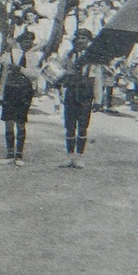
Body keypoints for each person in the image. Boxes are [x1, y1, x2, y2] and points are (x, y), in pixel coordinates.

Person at [51, 30, 103, 170]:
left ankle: (79, 156)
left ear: (89, 41)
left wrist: (98, 99)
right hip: (72, 92)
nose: (80, 41)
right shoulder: (69, 55)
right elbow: (60, 70)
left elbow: (97, 79)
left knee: (82, 126)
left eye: (84, 38)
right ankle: (69, 155)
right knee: (69, 126)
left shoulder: (93, 58)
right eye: (78, 38)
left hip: (85, 93)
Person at [0, 30, 36, 165]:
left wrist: (20, 69)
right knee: (8, 120)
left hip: (24, 90)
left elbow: (34, 75)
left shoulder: (33, 56)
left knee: (20, 120)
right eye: (25, 41)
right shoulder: (12, 54)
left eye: (30, 41)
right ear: (20, 42)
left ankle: (19, 155)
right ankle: (9, 153)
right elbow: (3, 67)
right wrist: (8, 46)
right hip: (10, 89)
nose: (27, 44)